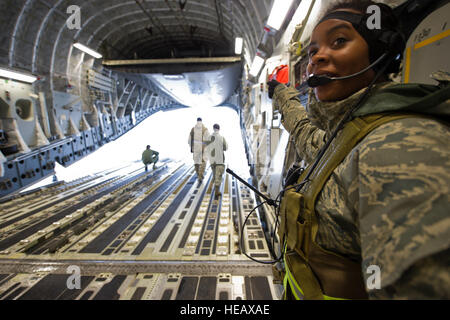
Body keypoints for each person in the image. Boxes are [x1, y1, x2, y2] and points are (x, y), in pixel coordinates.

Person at [268, 0, 450, 300]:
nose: (318, 58)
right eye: (312, 52)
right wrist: (282, 93)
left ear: (380, 55)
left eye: (339, 41)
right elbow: (303, 131)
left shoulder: (399, 146)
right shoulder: (344, 135)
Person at [205, 124, 228, 197]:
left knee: (215, 175)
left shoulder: (209, 138)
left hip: (212, 160)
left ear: (213, 128)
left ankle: (216, 189)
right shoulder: (221, 138)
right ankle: (217, 192)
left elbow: (207, 148)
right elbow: (225, 148)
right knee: (218, 175)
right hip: (219, 159)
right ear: (219, 129)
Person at [188, 117, 210, 183]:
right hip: (203, 148)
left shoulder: (193, 129)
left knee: (196, 162)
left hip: (195, 148)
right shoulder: (205, 129)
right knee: (203, 162)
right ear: (201, 121)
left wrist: (191, 147)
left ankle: (198, 174)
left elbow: (189, 140)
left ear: (196, 121)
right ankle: (201, 175)